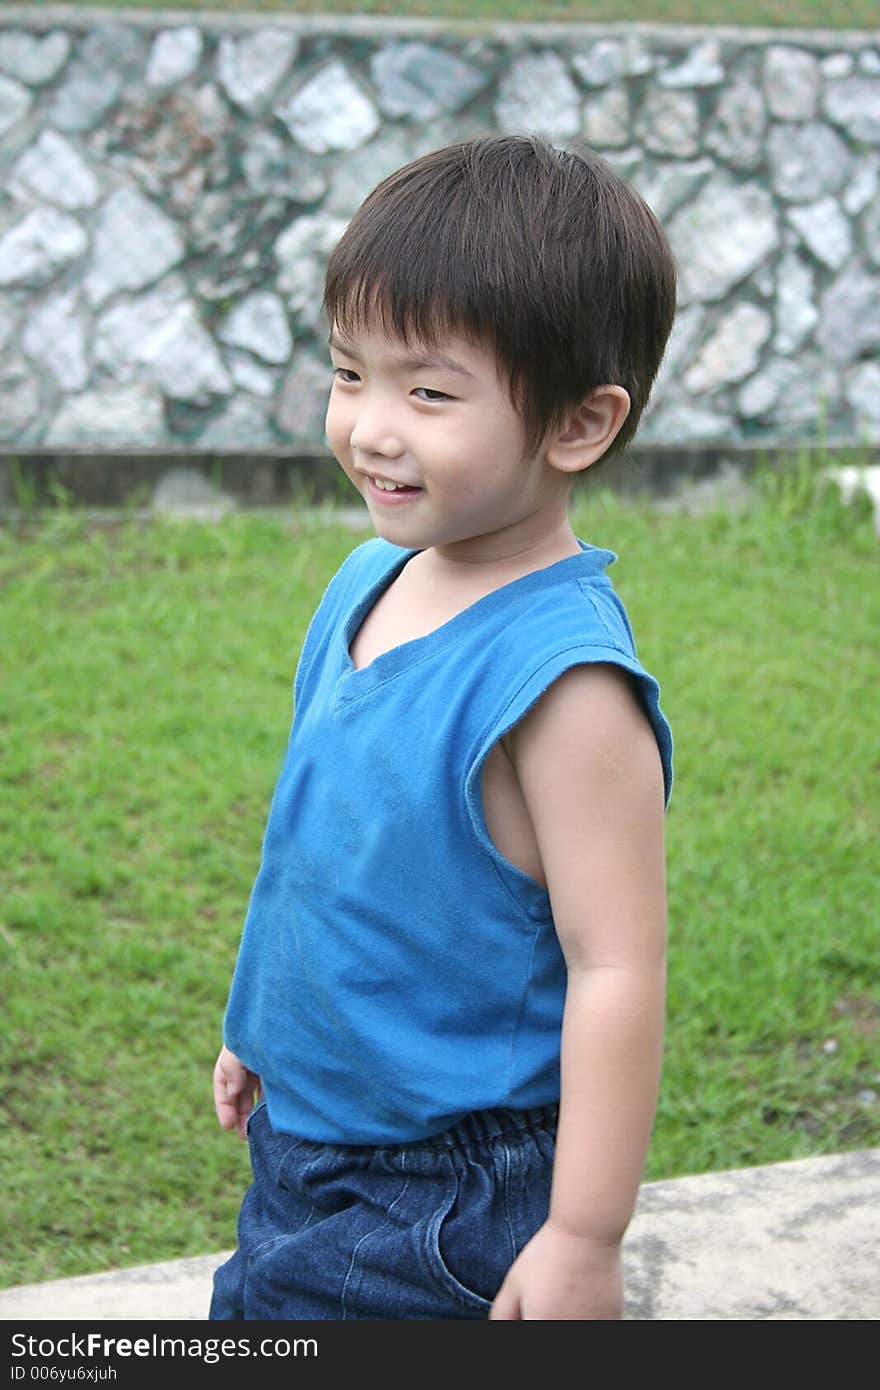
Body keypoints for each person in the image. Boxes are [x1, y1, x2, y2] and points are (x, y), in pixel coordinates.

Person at [210, 134, 676, 1321]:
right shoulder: (366, 579)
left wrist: (581, 1234)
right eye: (349, 372)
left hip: (451, 1185)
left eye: (427, 391)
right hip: (309, 1141)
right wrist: (264, 1025)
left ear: (577, 424)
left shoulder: (563, 686)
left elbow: (615, 966)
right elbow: (327, 851)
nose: (370, 425)